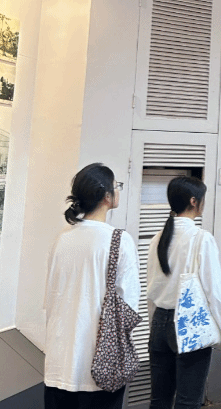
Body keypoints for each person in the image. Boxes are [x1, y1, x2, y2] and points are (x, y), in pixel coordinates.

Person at [44, 163, 141, 409]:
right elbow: (129, 305)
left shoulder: (62, 238)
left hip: (59, 362)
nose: (118, 191)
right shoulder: (119, 240)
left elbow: (51, 297)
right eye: (116, 186)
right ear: (107, 196)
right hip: (100, 365)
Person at [147, 176, 221, 409]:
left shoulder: (158, 238)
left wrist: (154, 326)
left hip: (159, 322)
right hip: (188, 324)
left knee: (159, 399)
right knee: (188, 401)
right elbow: (214, 291)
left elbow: (151, 287)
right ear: (193, 201)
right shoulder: (201, 239)